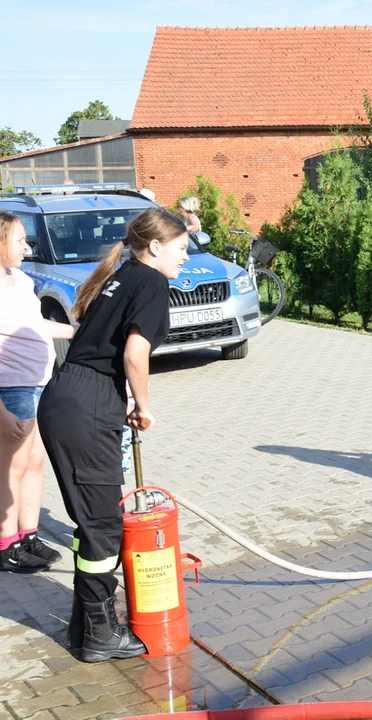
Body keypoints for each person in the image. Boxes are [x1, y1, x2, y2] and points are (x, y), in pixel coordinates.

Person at [37, 208, 189, 663]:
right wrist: (143, 407)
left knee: (92, 525)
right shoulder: (152, 282)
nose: (184, 258)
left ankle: (86, 629)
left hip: (74, 398)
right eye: (181, 249)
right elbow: (135, 353)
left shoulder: (121, 275)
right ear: (156, 246)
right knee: (103, 528)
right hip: (86, 406)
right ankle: (102, 635)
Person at [0, 212, 75, 572]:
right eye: (19, 241)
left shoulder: (20, 280)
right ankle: (6, 544)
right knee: (10, 469)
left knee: (33, 463)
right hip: (11, 390)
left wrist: (79, 331)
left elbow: (37, 325)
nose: (27, 248)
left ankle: (27, 535)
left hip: (39, 384)